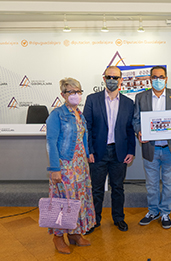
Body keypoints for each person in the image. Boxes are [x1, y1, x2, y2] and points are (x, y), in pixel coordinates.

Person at [132, 66, 171, 229]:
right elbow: (136, 120)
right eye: (155, 77)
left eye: (161, 77)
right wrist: (139, 132)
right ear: (150, 79)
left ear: (166, 78)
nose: (158, 80)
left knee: (170, 184)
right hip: (151, 148)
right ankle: (152, 211)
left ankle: (165, 213)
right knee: (151, 184)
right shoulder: (141, 97)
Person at [83, 66, 136, 234]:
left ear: (121, 80)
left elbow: (130, 129)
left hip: (119, 152)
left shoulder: (129, 103)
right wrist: (88, 150)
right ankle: (94, 220)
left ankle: (119, 218)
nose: (112, 80)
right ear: (104, 78)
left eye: (115, 77)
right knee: (96, 189)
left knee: (118, 188)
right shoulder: (92, 99)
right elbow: (87, 128)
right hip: (98, 152)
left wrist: (131, 151)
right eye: (109, 77)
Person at [46, 77, 95, 254]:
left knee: (79, 200)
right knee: (63, 201)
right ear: (63, 94)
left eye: (78, 91)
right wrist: (54, 169)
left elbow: (83, 137)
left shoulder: (80, 114)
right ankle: (58, 237)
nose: (75, 95)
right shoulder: (56, 115)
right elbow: (51, 142)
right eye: (70, 92)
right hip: (64, 165)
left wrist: (88, 153)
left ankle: (74, 233)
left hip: (81, 165)